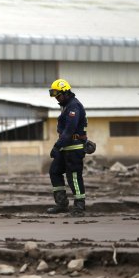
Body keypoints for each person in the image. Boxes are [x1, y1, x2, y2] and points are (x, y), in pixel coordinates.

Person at [46, 79, 88, 216]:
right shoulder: (66, 106)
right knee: (55, 171)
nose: (56, 98)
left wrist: (57, 146)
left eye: (58, 95)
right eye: (55, 96)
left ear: (65, 92)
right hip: (66, 147)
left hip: (74, 148)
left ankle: (79, 206)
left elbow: (69, 130)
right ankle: (62, 203)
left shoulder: (73, 106)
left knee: (74, 176)